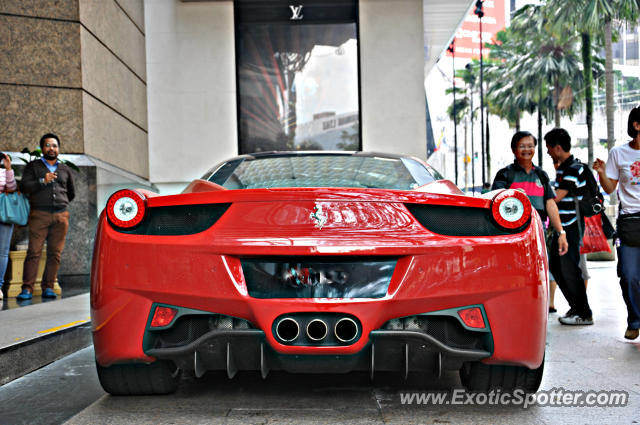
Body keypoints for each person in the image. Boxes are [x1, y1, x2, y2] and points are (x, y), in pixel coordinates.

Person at [491, 131, 568, 314]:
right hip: (511, 234)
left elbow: (550, 204)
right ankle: (512, 306)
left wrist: (561, 232)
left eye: (530, 146)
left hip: (537, 231)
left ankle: (538, 308)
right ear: (513, 149)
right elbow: (495, 199)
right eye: (522, 146)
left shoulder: (541, 175)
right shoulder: (505, 174)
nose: (527, 150)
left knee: (540, 269)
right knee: (513, 271)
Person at [593, 106, 640, 340]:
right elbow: (610, 188)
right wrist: (602, 173)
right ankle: (635, 320)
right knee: (629, 275)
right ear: (637, 126)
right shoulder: (619, 153)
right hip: (629, 222)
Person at [16, 133, 75, 300]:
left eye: (55, 146)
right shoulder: (33, 167)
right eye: (48, 145)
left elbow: (71, 192)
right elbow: (25, 186)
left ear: (58, 149)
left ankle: (48, 287)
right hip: (39, 215)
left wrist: (61, 205)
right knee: (34, 251)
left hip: (61, 216)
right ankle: (27, 288)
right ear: (42, 148)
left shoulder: (65, 169)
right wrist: (43, 181)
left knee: (55, 253)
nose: (52, 148)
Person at [545, 128, 593, 325]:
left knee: (570, 269)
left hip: (571, 226)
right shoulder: (565, 167)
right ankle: (576, 307)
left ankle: (584, 313)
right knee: (557, 267)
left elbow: (557, 197)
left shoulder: (573, 168)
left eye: (549, 148)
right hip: (562, 226)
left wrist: (542, 196)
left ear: (557, 148)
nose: (547, 152)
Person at [0, 153, 17, 301]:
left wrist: (8, 168)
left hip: (4, 214)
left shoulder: (4, 172)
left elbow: (12, 188)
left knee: (3, 252)